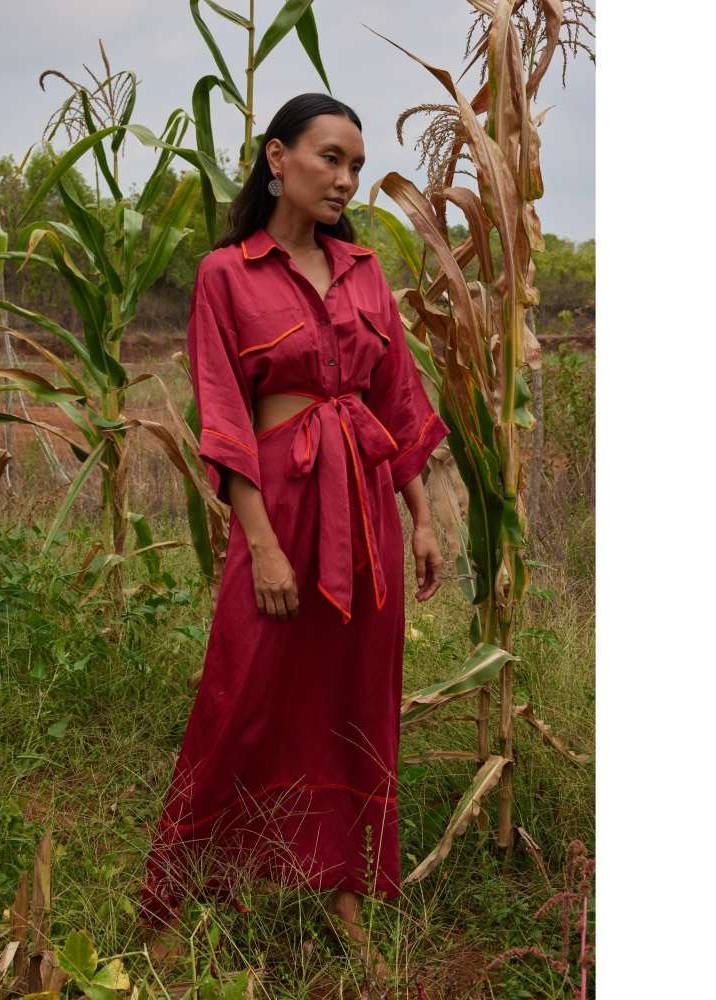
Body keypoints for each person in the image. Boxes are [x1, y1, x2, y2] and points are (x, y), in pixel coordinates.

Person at [138, 93, 451, 980]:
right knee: (241, 695)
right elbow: (224, 413)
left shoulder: (364, 272)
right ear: (277, 159)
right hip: (279, 504)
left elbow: (397, 401)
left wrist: (423, 518)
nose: (346, 180)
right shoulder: (225, 274)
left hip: (366, 510)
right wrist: (264, 544)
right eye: (330, 158)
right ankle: (174, 902)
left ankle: (346, 904)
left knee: (356, 697)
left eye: (356, 166)